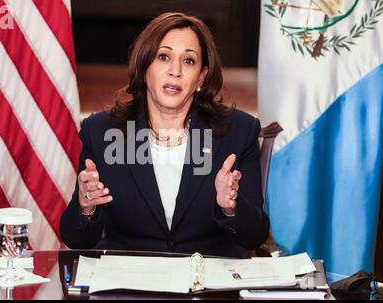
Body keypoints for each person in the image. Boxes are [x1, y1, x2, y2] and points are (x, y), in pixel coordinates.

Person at [60, 12, 269, 258]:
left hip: (208, 285)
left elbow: (255, 236)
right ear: (145, 66)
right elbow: (76, 239)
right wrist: (86, 207)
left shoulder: (238, 131)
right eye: (163, 56)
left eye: (189, 61)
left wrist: (232, 207)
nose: (175, 71)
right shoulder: (102, 131)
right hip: (129, 284)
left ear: (201, 76)